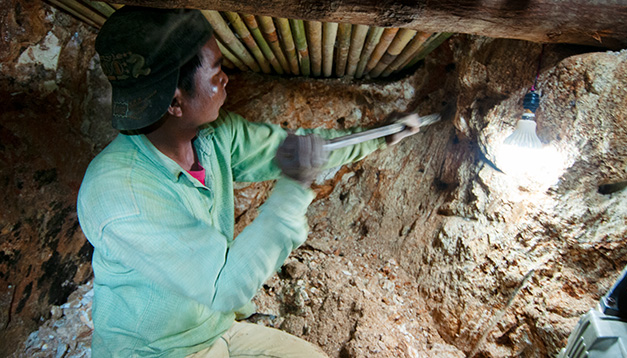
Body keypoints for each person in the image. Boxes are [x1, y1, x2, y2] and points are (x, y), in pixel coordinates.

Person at [77, 6, 419, 358]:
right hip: (158, 351)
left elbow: (297, 148)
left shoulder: (212, 137)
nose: (226, 80)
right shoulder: (119, 193)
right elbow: (226, 286)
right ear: (175, 101)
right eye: (216, 72)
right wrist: (293, 187)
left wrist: (378, 135)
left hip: (217, 329)